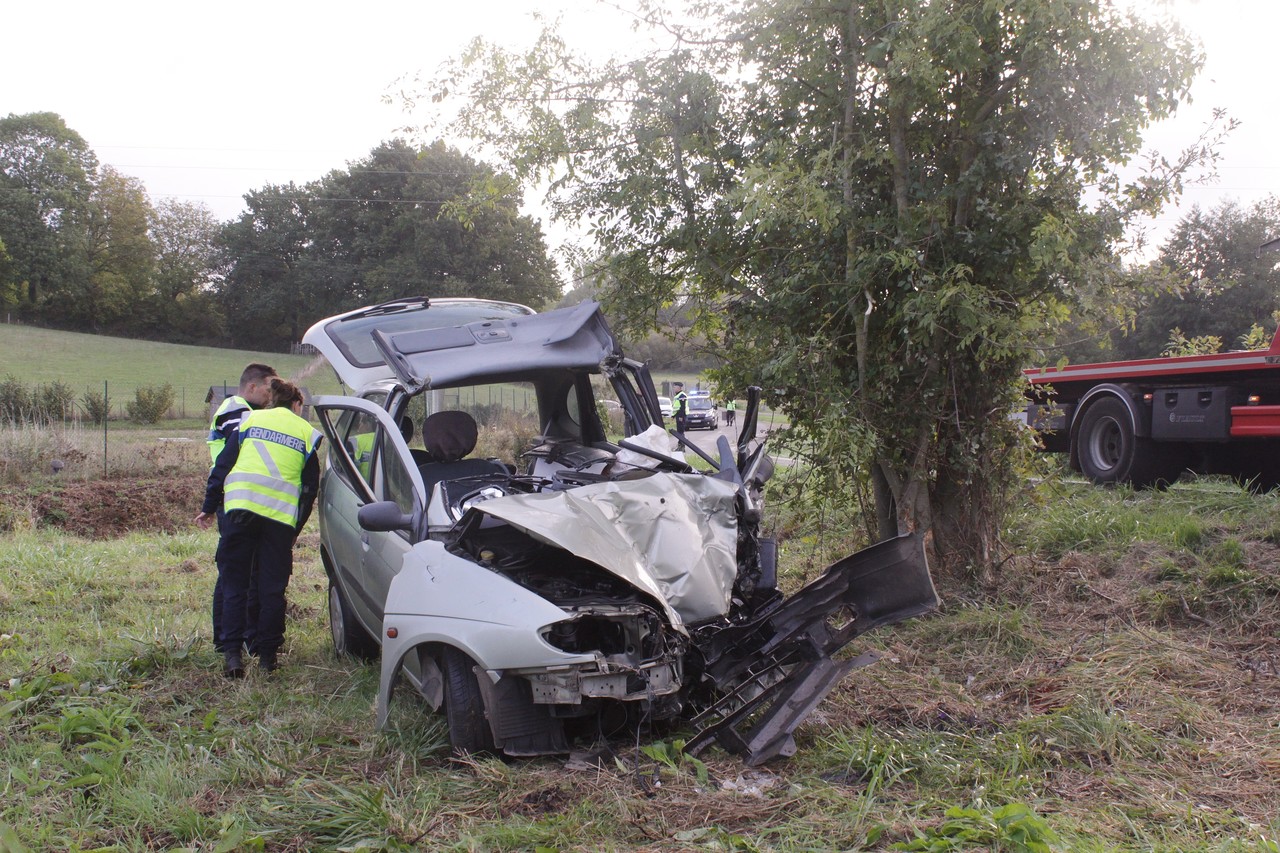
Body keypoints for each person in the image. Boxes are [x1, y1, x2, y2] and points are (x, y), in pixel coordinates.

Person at [195, 378, 322, 677]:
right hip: (278, 520)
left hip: (240, 509)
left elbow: (223, 465)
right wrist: (294, 529)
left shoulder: (250, 419)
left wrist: (209, 506)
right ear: (297, 405)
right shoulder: (306, 432)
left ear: (271, 401)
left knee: (234, 583)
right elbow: (309, 489)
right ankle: (267, 658)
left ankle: (232, 656)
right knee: (272, 589)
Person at [205, 363, 277, 656]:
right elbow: (248, 446)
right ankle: (227, 638)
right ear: (252, 387)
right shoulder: (237, 410)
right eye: (267, 389)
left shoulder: (244, 410)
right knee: (235, 573)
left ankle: (230, 637)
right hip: (233, 498)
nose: (271, 396)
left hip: (236, 496)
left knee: (235, 571)